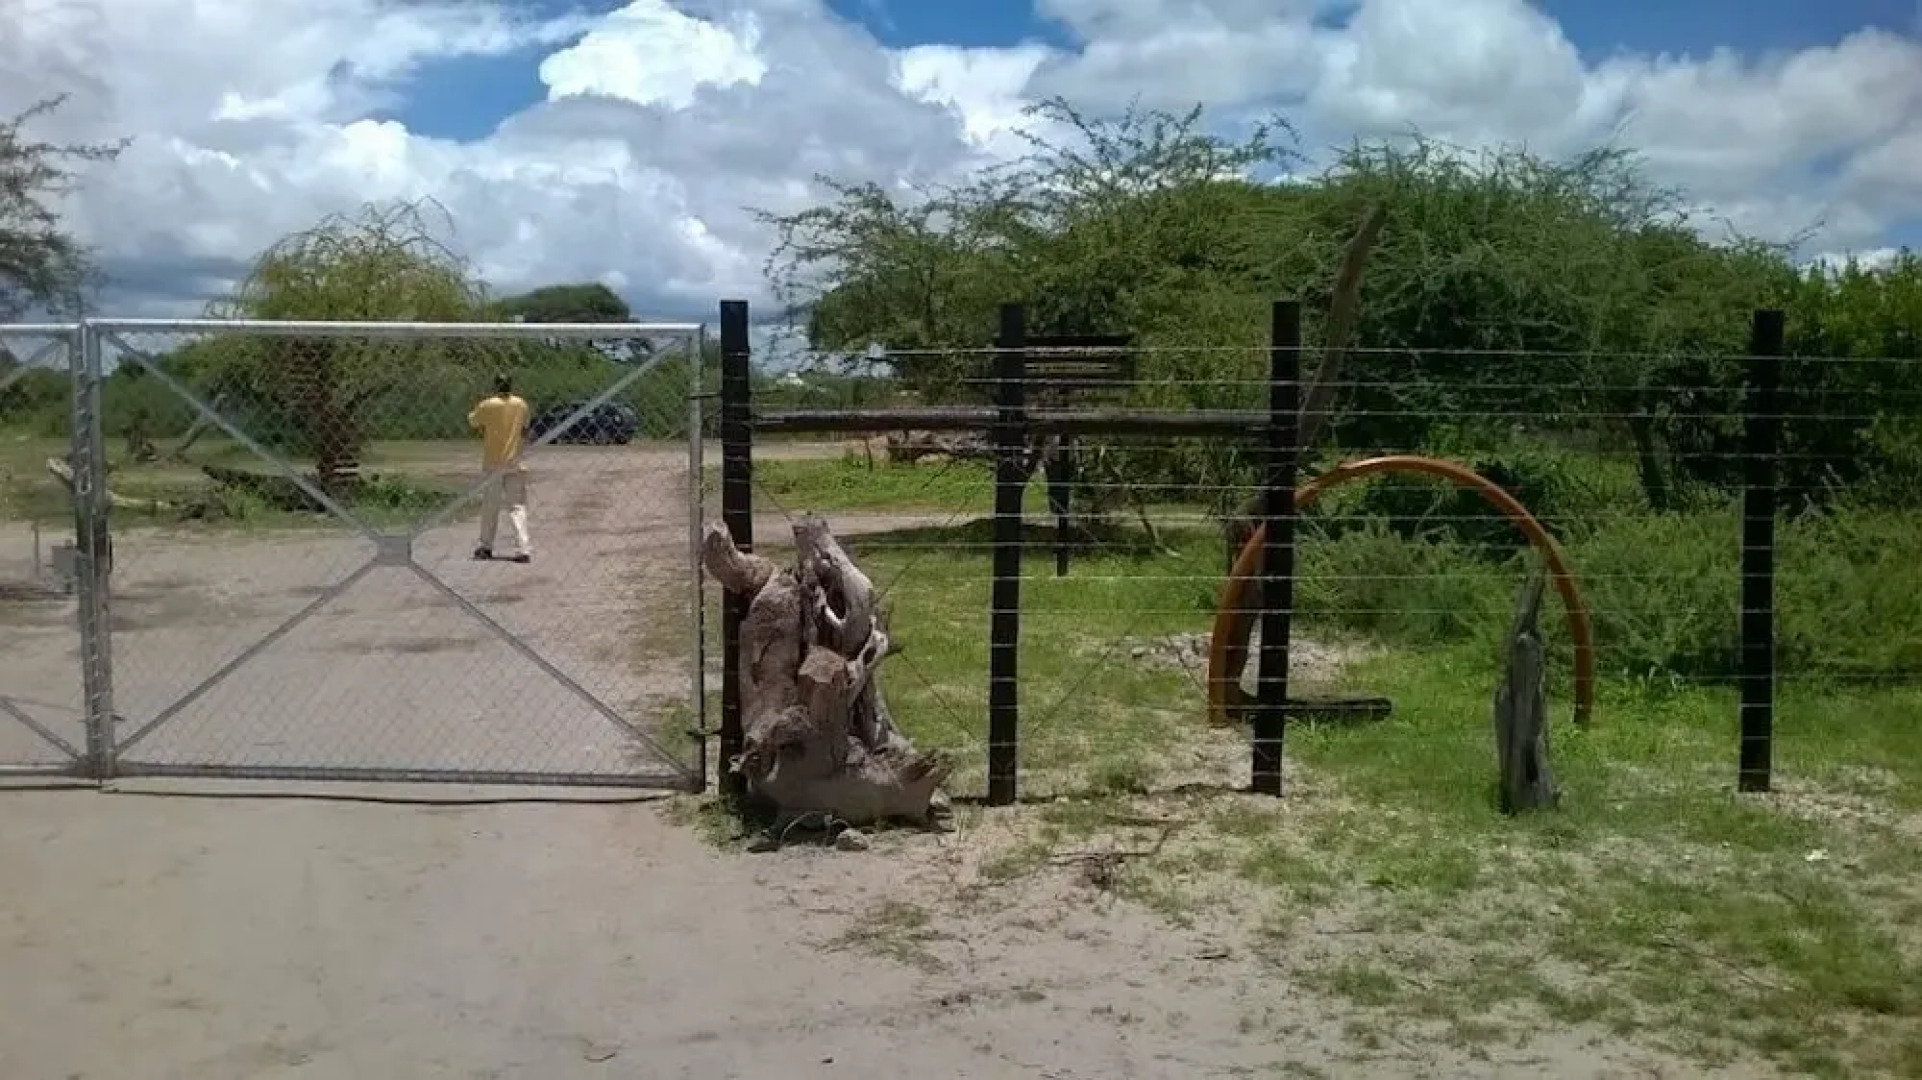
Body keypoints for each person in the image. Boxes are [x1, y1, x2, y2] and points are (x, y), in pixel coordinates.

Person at [468, 374, 532, 563]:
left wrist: (478, 404)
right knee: (517, 507)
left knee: (490, 506)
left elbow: (473, 421)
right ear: (511, 385)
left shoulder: (487, 405)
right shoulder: (520, 404)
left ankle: (486, 546)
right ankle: (523, 548)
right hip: (515, 461)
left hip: (493, 462)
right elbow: (525, 426)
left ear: (495, 385)